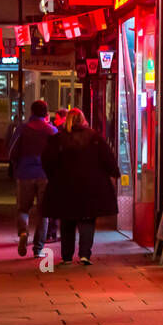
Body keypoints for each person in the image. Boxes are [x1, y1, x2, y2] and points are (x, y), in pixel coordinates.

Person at [41, 108, 119, 265]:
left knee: (67, 220)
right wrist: (114, 173)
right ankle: (85, 254)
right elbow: (107, 159)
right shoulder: (94, 138)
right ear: (83, 120)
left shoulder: (58, 138)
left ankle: (67, 256)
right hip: (90, 187)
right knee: (87, 220)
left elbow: (47, 161)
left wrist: (53, 177)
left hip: (64, 186)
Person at [9, 99, 58, 257]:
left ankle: (23, 232)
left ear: (31, 112)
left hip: (25, 174)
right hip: (45, 175)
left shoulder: (22, 129)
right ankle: (38, 248)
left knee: (23, 208)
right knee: (44, 212)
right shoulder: (52, 131)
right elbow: (59, 154)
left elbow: (11, 151)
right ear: (46, 113)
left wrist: (17, 165)